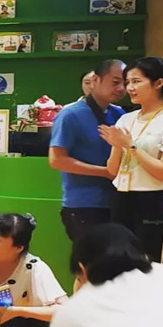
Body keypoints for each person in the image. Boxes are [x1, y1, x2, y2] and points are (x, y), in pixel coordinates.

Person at [100, 57, 163, 264]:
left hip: (155, 201)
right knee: (119, 263)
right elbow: (112, 170)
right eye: (128, 82)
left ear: (158, 83)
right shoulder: (126, 119)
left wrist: (131, 146)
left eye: (136, 81)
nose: (130, 88)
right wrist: (116, 145)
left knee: (152, 265)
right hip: (122, 198)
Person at [50, 60, 127, 243]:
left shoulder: (120, 114)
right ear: (95, 80)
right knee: (91, 259)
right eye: (115, 82)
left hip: (117, 201)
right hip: (84, 204)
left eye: (126, 83)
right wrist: (106, 172)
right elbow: (57, 160)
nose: (122, 88)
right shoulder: (70, 114)